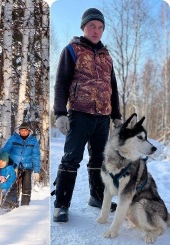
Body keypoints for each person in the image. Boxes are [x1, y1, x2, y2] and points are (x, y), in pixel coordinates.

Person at [53, 8, 122, 223]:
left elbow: (113, 87)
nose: (96, 30)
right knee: (71, 158)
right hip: (79, 113)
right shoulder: (72, 50)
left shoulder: (107, 56)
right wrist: (60, 113)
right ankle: (61, 205)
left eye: (100, 27)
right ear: (83, 27)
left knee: (100, 159)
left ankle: (97, 196)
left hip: (103, 116)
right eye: (92, 25)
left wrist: (117, 116)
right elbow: (61, 82)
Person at [1, 122, 41, 208]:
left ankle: (25, 206)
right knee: (13, 186)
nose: (23, 132)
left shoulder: (33, 141)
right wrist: (1, 160)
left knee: (26, 187)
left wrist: (37, 171)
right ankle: (10, 204)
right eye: (21, 130)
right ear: (19, 131)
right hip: (14, 166)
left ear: (29, 131)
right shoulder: (13, 139)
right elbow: (5, 150)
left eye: (25, 130)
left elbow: (36, 156)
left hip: (27, 167)